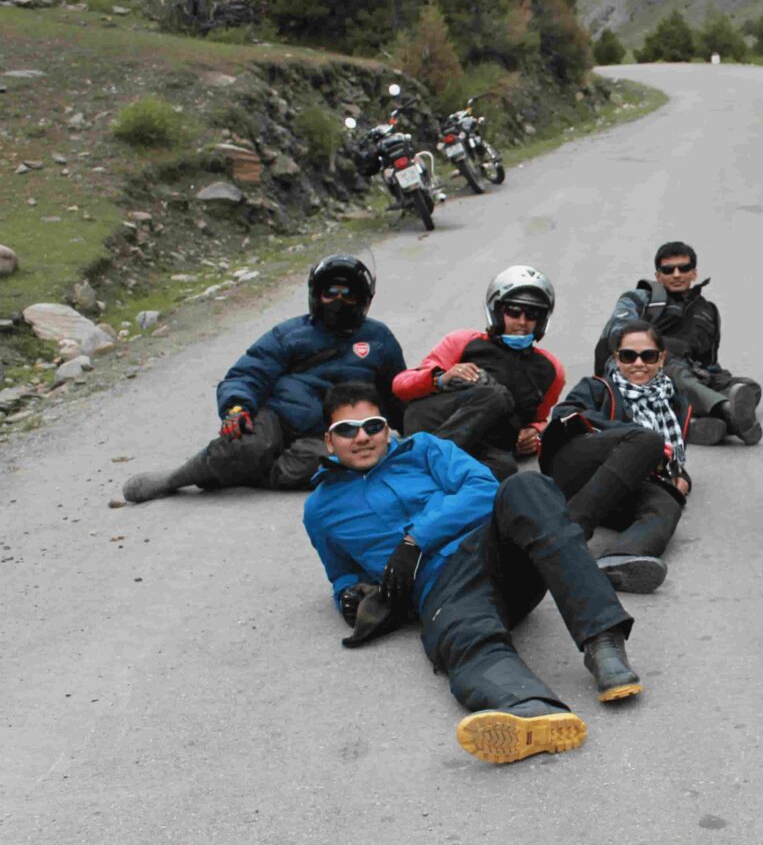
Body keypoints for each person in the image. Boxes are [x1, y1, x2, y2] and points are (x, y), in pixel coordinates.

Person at [302, 382, 641, 766]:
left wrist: (416, 539)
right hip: (441, 588)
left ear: (387, 429)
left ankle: (604, 644)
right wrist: (350, 595)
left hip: (496, 552)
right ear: (329, 441)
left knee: (526, 486)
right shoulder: (321, 510)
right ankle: (529, 709)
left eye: (372, 426)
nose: (362, 437)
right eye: (347, 430)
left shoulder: (426, 449)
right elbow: (340, 573)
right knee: (462, 635)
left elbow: (483, 488)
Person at [122, 254, 406, 503]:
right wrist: (236, 408)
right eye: (331, 291)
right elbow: (247, 373)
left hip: (333, 432)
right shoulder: (289, 334)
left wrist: (415, 434)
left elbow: (398, 392)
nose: (339, 300)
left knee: (334, 463)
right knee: (245, 445)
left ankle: (250, 475)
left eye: (349, 293)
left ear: (363, 299)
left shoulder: (379, 339)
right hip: (278, 418)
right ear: (316, 295)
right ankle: (175, 479)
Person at [541, 321, 693, 595]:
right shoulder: (598, 387)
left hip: (618, 486)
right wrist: (636, 435)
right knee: (648, 440)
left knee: (668, 505)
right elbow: (565, 413)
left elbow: (671, 457)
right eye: (628, 356)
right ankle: (569, 533)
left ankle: (617, 560)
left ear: (661, 358)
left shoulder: (673, 402)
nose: (638, 363)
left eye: (647, 356)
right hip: (577, 467)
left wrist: (679, 477)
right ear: (616, 359)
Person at [391, 266, 565, 482]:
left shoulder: (551, 370)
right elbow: (400, 385)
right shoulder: (463, 341)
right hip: (434, 423)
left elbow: (538, 419)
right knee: (496, 395)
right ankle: (421, 463)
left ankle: (433, 479)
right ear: (497, 311)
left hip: (487, 442)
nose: (522, 322)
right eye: (513, 311)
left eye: (532, 314)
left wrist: (534, 434)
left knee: (506, 469)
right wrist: (441, 378)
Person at [594, 240, 763, 445]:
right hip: (645, 367)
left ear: (694, 273)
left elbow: (709, 361)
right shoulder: (639, 298)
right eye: (668, 269)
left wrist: (718, 379)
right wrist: (652, 347)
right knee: (672, 370)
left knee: (748, 387)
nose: (676, 274)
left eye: (684, 268)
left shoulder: (707, 311)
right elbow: (618, 332)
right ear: (658, 275)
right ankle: (725, 412)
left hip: (690, 371)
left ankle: (692, 421)